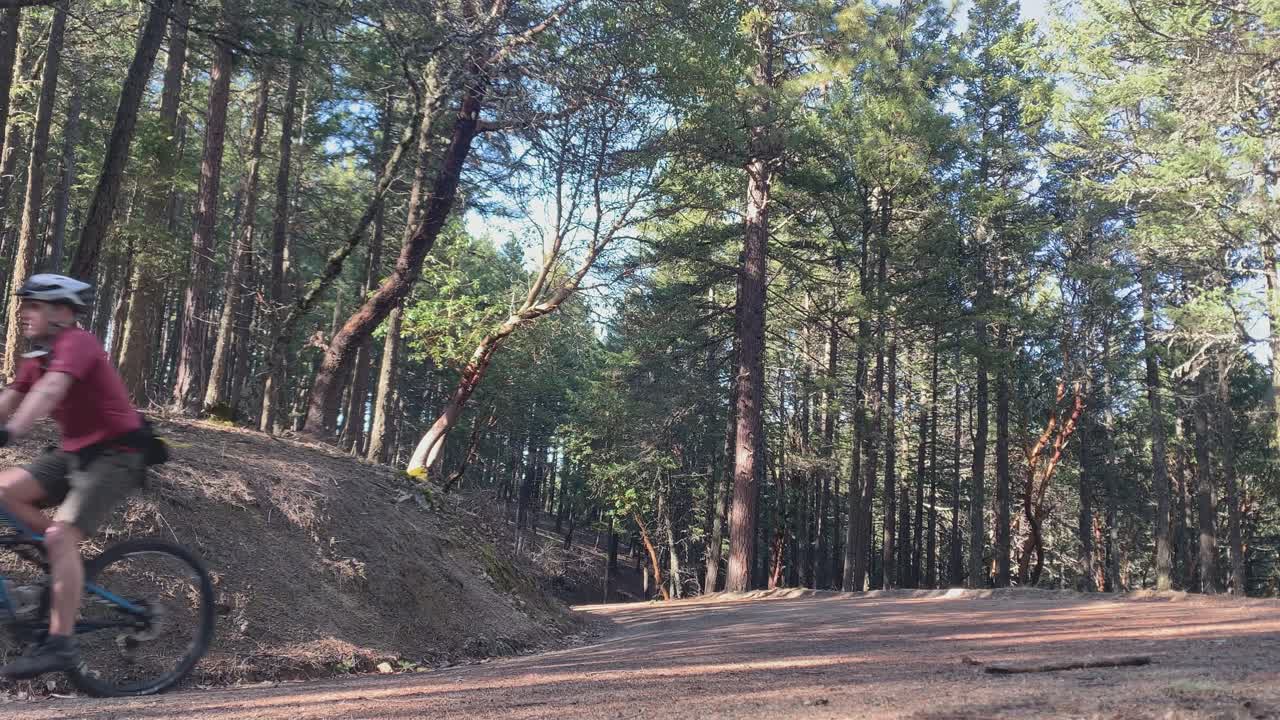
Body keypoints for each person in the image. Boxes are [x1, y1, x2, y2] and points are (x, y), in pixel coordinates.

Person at [0, 273, 150, 679]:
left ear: (63, 312)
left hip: (117, 454)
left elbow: (49, 390)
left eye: (34, 306)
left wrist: (11, 432)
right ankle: (58, 562)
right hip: (74, 453)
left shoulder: (77, 343)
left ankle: (60, 645)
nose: (24, 313)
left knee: (61, 536)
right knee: (3, 491)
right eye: (25, 305)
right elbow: (11, 397)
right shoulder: (38, 356)